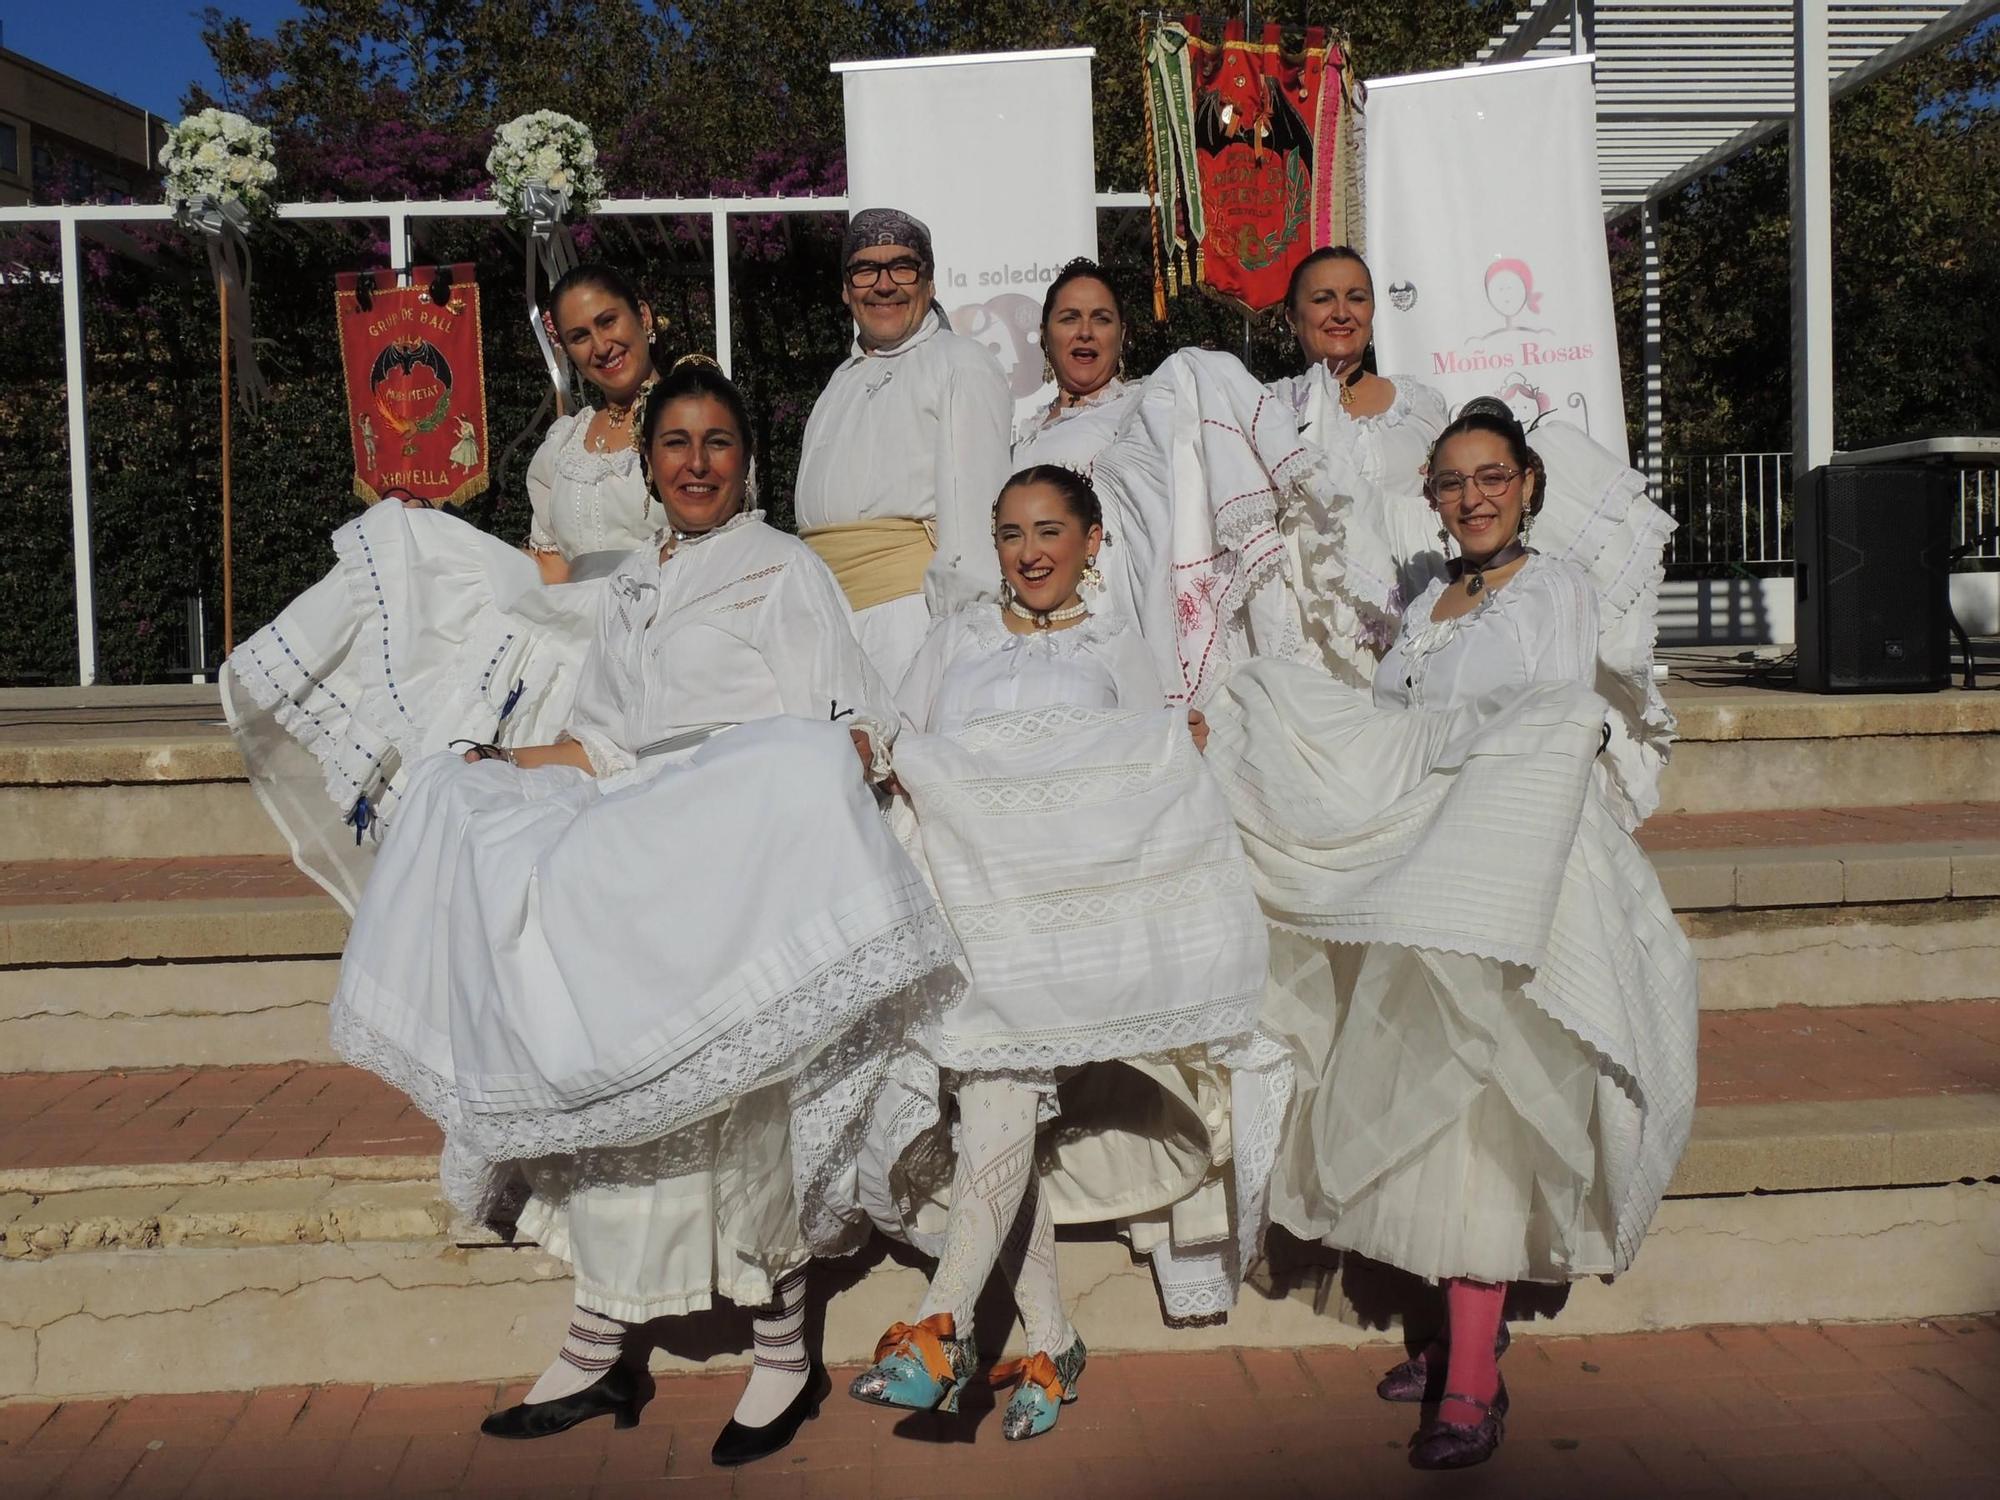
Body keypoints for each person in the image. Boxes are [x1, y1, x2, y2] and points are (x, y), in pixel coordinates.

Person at [326, 358, 959, 1468]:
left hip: (742, 847)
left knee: (740, 1106)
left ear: (744, 459)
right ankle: (596, 1345)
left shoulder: (782, 569)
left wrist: (845, 765)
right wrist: (501, 757)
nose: (696, 463)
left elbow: (836, 721)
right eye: (676, 443)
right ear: (651, 465)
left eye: (717, 442)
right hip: (648, 837)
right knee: (624, 1086)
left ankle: (781, 1348)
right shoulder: (629, 588)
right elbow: (609, 742)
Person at [1203, 401, 1698, 1469]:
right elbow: (1392, 729)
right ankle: (1449, 1338)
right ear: (1427, 496)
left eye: (1489, 477)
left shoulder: (1553, 591)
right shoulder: (1424, 596)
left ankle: (1472, 1379)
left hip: (1507, 882)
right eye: (1448, 482)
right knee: (1426, 1105)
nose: (1469, 498)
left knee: (1483, 1110)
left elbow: (1543, 726)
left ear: (1525, 484)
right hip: (1420, 872)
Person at [847, 466, 1275, 1438]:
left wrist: (1176, 739)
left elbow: (1143, 761)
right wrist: (881, 756)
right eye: (1008, 533)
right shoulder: (952, 638)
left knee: (996, 1085)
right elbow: (901, 738)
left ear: (1090, 539)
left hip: (1063, 929)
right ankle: (1048, 1334)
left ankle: (939, 1325)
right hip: (964, 907)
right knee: (996, 1098)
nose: (1029, 551)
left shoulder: (1114, 642)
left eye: (1049, 530)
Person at [222, 264, 666, 912]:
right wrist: (453, 560)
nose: (600, 345)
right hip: (571, 632)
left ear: (644, 316)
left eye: (609, 322)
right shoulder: (564, 445)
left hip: (651, 630)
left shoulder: (691, 413)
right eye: (578, 335)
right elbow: (552, 566)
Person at [794, 207, 1015, 687]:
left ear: (929, 282)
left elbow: (977, 521)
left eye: (902, 266)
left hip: (911, 627)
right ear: (846, 289)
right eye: (865, 270)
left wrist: (959, 646)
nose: (884, 284)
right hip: (827, 626)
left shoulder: (960, 363)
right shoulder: (838, 382)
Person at [1268, 246, 1450, 610]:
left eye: (1356, 298)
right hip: (1316, 616)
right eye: (1322, 299)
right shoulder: (1269, 408)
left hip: (1421, 601)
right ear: (1292, 316)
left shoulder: (1422, 404)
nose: (1341, 313)